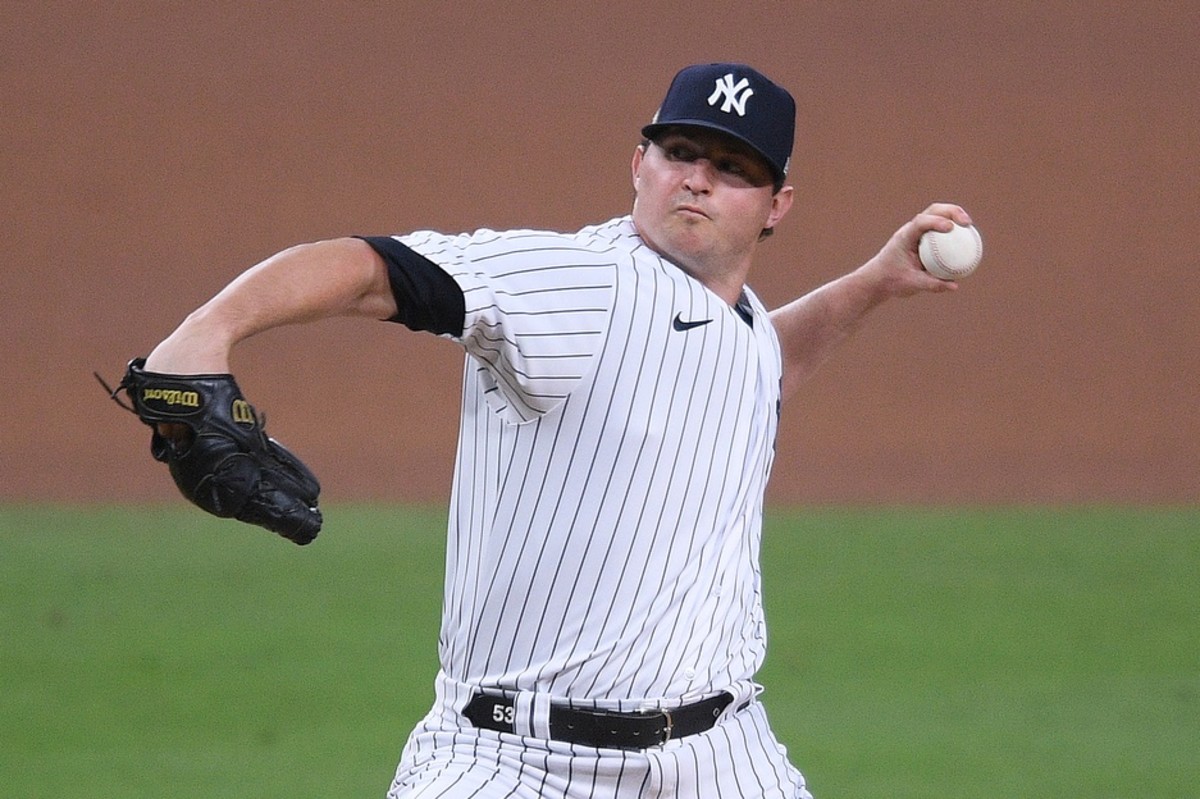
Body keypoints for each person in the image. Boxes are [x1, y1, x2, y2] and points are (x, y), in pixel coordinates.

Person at [142, 63, 968, 798]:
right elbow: (373, 270)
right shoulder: (582, 283)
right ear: (638, 163)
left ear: (776, 205)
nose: (698, 180)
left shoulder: (736, 322)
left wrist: (874, 283)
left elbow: (746, 372)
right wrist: (206, 334)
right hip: (517, 760)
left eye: (733, 168)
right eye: (680, 152)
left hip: (722, 754)